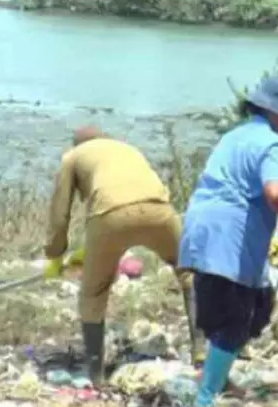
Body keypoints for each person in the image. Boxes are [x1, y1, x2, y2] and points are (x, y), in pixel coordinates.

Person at [178, 75, 278, 407]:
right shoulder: (274, 144)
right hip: (230, 235)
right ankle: (205, 398)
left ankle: (216, 376)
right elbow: (275, 193)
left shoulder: (234, 136)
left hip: (201, 225)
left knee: (243, 306)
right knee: (239, 317)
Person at [43, 126, 184, 384]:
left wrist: (54, 254)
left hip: (109, 215)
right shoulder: (128, 149)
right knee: (189, 272)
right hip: (160, 209)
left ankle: (96, 375)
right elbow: (139, 196)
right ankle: (200, 352)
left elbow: (60, 212)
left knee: (93, 293)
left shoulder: (72, 157)